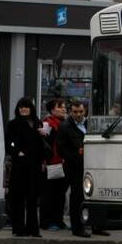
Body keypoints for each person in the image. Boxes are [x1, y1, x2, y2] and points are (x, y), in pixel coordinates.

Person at [58, 101, 102, 237]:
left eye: (81, 112)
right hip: (74, 167)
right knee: (77, 197)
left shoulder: (90, 125)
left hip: (92, 166)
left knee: (96, 195)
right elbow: (61, 149)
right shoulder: (65, 127)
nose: (78, 115)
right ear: (71, 112)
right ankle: (77, 228)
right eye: (75, 112)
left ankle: (97, 226)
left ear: (85, 111)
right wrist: (77, 156)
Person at [5, 98, 44, 237]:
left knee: (33, 198)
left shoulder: (38, 123)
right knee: (19, 199)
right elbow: (8, 143)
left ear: (31, 108)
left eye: (26, 107)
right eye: (21, 107)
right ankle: (19, 228)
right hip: (20, 166)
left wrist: (44, 135)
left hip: (34, 165)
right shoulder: (13, 124)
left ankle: (33, 228)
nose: (23, 110)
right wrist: (17, 152)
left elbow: (42, 144)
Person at [41, 98, 68, 231]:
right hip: (52, 163)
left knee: (60, 194)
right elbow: (44, 144)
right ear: (52, 110)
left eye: (64, 107)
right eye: (60, 107)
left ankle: (59, 220)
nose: (63, 109)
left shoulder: (66, 123)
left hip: (64, 163)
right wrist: (45, 160)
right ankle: (48, 222)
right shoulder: (48, 123)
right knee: (49, 194)